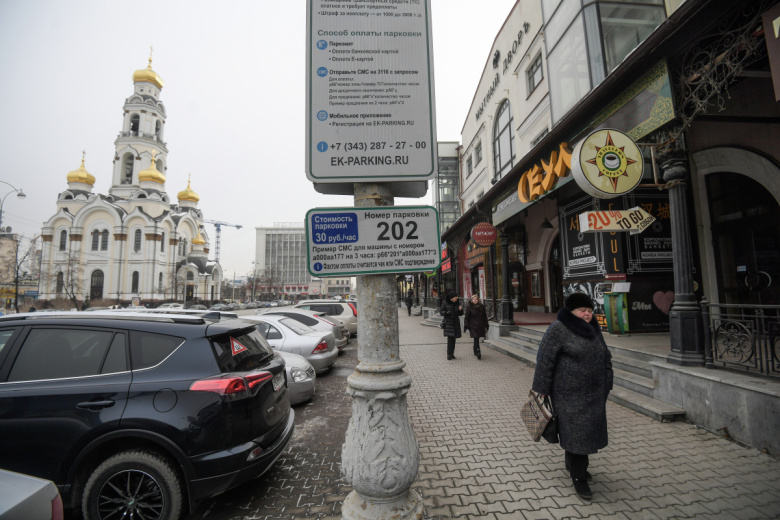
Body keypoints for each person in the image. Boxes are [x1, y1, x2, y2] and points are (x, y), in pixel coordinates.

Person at [531, 292, 613, 501]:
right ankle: (578, 477)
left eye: (590, 310)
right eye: (583, 311)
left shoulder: (593, 327)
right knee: (578, 433)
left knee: (580, 433)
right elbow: (545, 360)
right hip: (569, 393)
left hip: (594, 393)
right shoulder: (558, 329)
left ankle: (573, 465)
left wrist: (608, 379)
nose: (587, 314)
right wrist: (542, 388)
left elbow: (605, 354)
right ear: (571, 311)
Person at [439, 291, 463, 360]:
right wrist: (446, 313)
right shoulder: (445, 303)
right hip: (449, 323)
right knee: (450, 340)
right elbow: (441, 312)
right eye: (455, 296)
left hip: (455, 323)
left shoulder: (457, 303)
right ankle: (449, 354)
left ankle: (452, 354)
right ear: (451, 298)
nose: (457, 298)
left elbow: (460, 314)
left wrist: (460, 310)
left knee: (454, 340)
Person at [463, 294, 488, 359]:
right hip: (473, 325)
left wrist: (486, 324)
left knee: (477, 338)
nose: (475, 300)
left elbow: (484, 316)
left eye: (476, 299)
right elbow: (467, 317)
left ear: (478, 300)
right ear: (471, 300)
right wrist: (466, 325)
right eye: (473, 299)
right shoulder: (469, 307)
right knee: (476, 338)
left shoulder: (481, 306)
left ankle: (475, 349)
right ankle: (478, 351)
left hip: (480, 325)